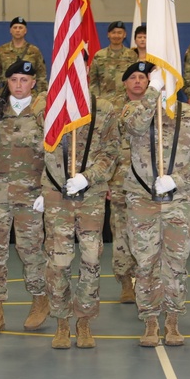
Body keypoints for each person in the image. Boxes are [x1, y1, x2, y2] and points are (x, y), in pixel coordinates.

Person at [121, 70, 190, 347]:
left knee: (176, 262)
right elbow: (136, 127)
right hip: (142, 199)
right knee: (146, 262)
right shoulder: (133, 109)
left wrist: (178, 180)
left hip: (179, 199)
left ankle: (172, 319)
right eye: (160, 80)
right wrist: (152, 93)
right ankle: (149, 319)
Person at [0, 59, 48, 335]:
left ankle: (40, 301)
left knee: (31, 251)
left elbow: (55, 154)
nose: (18, 85)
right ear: (7, 83)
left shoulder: (44, 113)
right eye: (13, 80)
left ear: (33, 83)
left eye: (24, 80)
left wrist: (48, 188)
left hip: (31, 193)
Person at [36, 95, 119, 349]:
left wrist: (88, 177)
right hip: (56, 192)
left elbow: (112, 150)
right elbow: (36, 135)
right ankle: (61, 320)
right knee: (58, 260)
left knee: (91, 259)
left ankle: (84, 320)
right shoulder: (47, 103)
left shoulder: (104, 107)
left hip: (91, 193)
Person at [108, 61, 152, 305]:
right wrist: (105, 180)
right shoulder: (112, 109)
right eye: (133, 77)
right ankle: (125, 281)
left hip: (149, 181)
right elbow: (103, 146)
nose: (138, 81)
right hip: (121, 180)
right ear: (125, 82)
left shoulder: (156, 107)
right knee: (122, 232)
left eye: (142, 77)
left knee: (148, 233)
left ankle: (147, 280)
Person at [0, 16, 48, 97]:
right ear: (10, 30)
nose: (18, 30)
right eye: (15, 27)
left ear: (25, 31)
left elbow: (41, 76)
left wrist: (41, 97)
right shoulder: (1, 51)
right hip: (7, 96)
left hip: (29, 96)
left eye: (20, 27)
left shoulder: (34, 51)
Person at [88, 21, 138, 110]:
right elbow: (93, 82)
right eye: (113, 32)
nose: (116, 36)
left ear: (124, 35)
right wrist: (97, 102)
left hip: (126, 105)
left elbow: (136, 80)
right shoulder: (99, 56)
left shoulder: (132, 56)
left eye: (119, 33)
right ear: (108, 35)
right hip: (104, 106)